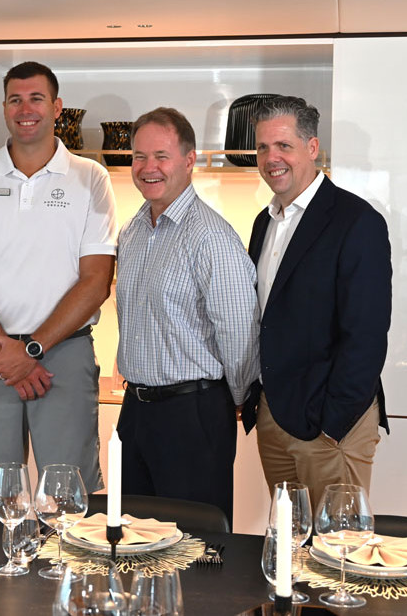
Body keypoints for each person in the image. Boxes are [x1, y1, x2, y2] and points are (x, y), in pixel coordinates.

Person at [0, 61, 117, 491]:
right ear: (4, 107)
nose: (26, 108)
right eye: (15, 99)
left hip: (64, 355)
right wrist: (8, 353)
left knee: (69, 494)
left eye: (36, 98)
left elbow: (96, 280)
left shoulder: (90, 177)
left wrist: (33, 349)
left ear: (57, 107)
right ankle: (2, 564)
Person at [241, 96, 392, 508]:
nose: (272, 158)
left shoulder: (357, 221)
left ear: (312, 148)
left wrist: (334, 423)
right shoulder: (264, 221)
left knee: (337, 558)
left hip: (328, 424)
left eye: (283, 146)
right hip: (275, 416)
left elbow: (366, 333)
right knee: (289, 547)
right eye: (263, 148)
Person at [115, 107, 260, 523]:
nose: (148, 168)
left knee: (196, 548)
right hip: (136, 411)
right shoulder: (134, 230)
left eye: (161, 156)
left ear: (189, 159)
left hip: (192, 414)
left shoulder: (211, 237)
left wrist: (227, 402)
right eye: (138, 157)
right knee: (131, 540)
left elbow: (240, 335)